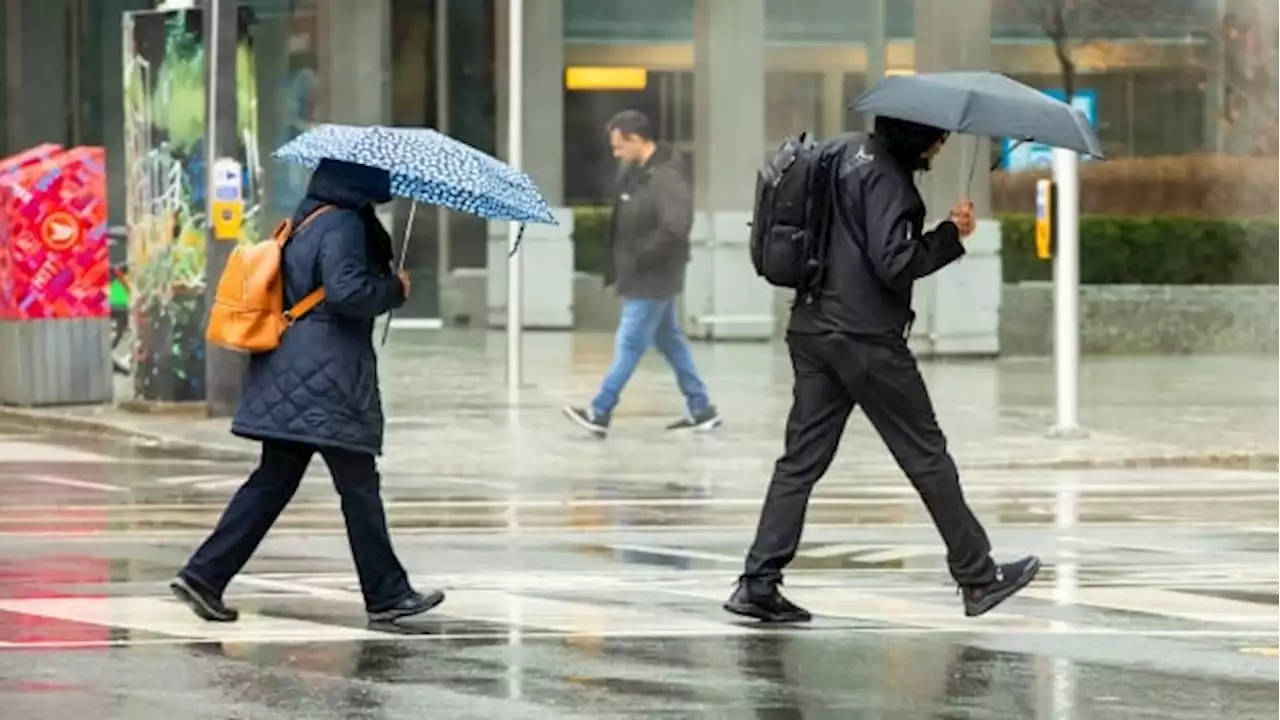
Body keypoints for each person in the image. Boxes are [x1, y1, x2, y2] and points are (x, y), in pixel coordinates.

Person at [725, 117, 1040, 622]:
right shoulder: (891, 180)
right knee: (926, 454)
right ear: (919, 138)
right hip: (865, 339)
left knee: (799, 462)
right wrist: (949, 237)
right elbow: (893, 262)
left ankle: (757, 582)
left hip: (812, 328)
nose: (940, 149)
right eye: (939, 140)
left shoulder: (838, 153)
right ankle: (978, 576)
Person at [170, 158, 443, 625]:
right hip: (327, 373)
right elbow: (346, 293)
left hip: (293, 365)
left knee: (274, 481)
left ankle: (204, 575)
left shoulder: (309, 216)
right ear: (358, 180)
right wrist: (394, 288)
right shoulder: (344, 223)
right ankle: (386, 593)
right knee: (357, 485)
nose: (387, 183)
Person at [563, 109, 720, 437]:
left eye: (619, 146)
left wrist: (642, 257)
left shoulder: (666, 177)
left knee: (630, 342)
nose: (615, 153)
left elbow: (674, 226)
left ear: (636, 140)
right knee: (670, 341)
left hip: (654, 276)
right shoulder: (639, 174)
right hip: (644, 274)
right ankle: (701, 408)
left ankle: (600, 410)